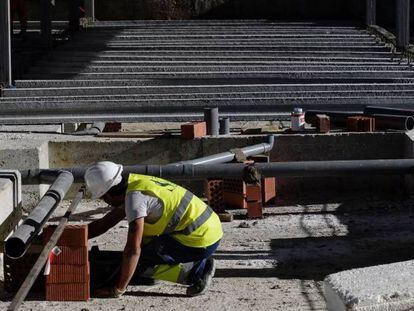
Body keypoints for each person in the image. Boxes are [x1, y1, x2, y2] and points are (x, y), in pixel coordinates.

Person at [84, 161, 223, 298]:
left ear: (108, 195)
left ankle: (197, 271)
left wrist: (118, 289)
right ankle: (154, 270)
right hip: (208, 227)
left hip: (201, 238)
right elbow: (105, 223)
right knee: (143, 250)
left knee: (138, 260)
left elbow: (133, 250)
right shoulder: (135, 183)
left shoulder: (136, 200)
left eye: (103, 198)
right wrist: (71, 236)